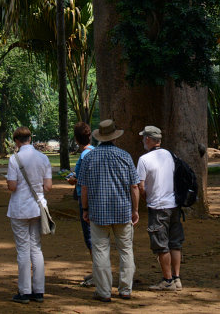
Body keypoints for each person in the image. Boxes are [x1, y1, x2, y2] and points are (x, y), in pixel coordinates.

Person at [79, 119, 140, 302]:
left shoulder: (89, 157)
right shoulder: (125, 156)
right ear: (114, 137)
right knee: (126, 250)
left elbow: (84, 188)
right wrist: (135, 209)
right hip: (123, 211)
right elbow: (134, 186)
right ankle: (125, 289)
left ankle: (104, 292)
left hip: (98, 213)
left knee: (100, 251)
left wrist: (85, 208)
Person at [6, 126, 52, 304]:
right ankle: (39, 290)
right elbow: (48, 187)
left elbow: (12, 186)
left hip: (19, 208)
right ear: (30, 139)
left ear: (17, 141)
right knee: (36, 248)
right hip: (37, 208)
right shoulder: (43, 158)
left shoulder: (14, 159)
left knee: (23, 249)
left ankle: (24, 291)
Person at [137, 125, 185, 291]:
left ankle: (167, 280)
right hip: (174, 205)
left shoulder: (144, 160)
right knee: (175, 243)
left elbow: (140, 186)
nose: (143, 140)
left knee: (161, 245)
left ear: (149, 139)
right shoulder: (171, 155)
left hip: (157, 207)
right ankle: (177, 278)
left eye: (144, 137)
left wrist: (146, 197)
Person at [66, 122, 95, 287]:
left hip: (86, 199)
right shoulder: (94, 152)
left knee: (90, 237)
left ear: (77, 139)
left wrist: (73, 180)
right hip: (95, 197)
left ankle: (98, 273)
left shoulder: (85, 155)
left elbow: (84, 180)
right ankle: (97, 269)